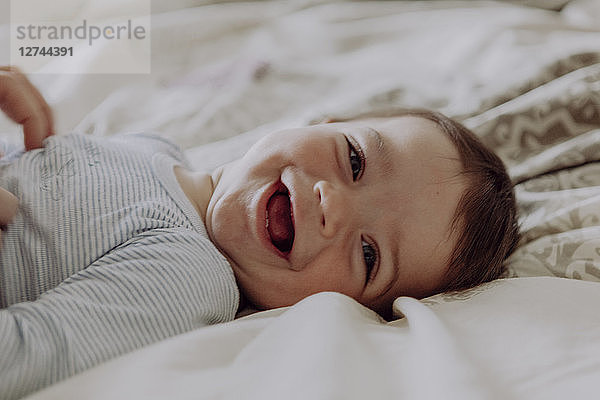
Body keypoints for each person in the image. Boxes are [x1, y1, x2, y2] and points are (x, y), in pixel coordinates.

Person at [0, 67, 519, 399]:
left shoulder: (185, 275)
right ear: (322, 120)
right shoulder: (150, 146)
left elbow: (21, 357)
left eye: (368, 254)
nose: (331, 203)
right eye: (355, 159)